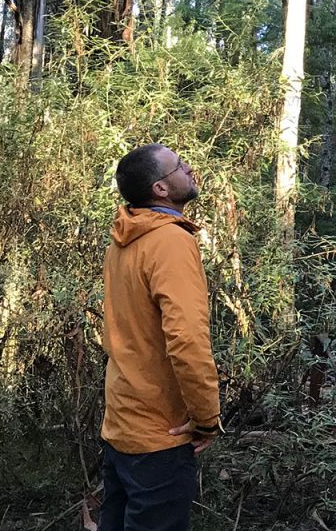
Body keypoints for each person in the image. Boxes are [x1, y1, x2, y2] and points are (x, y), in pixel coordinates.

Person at [98, 143, 222, 531]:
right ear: (160, 190)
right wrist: (206, 416)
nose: (190, 169)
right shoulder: (169, 241)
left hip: (121, 424)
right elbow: (186, 339)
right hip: (159, 435)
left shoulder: (123, 240)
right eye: (179, 167)